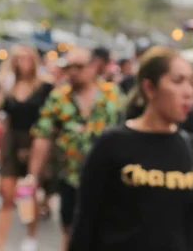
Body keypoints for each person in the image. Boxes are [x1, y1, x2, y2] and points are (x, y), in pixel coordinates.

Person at [68, 46, 193, 251]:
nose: (189, 92)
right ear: (149, 88)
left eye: (191, 82)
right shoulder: (111, 144)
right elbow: (85, 223)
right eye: (178, 81)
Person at [29, 48, 122, 251]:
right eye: (68, 67)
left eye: (78, 67)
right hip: (70, 176)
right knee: (70, 230)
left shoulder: (112, 94)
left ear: (93, 67)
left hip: (108, 179)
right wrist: (32, 176)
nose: (73, 72)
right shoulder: (59, 97)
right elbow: (42, 134)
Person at [0, 45, 53, 251]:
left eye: (26, 59)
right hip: (11, 140)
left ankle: (30, 236)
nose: (23, 63)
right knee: (7, 193)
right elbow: (1, 117)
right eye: (19, 59)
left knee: (28, 192)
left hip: (33, 140)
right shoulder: (8, 86)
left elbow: (47, 120)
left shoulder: (43, 87)